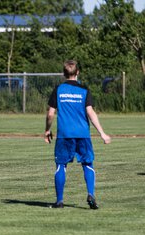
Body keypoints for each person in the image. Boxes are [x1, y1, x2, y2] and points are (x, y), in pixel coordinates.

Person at [44, 60, 111, 209]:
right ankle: (91, 194)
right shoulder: (84, 89)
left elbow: (50, 114)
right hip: (83, 134)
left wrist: (47, 130)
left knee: (61, 165)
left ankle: (59, 201)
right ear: (78, 72)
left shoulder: (59, 89)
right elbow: (90, 112)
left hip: (64, 135)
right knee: (87, 163)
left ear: (63, 73)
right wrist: (102, 133)